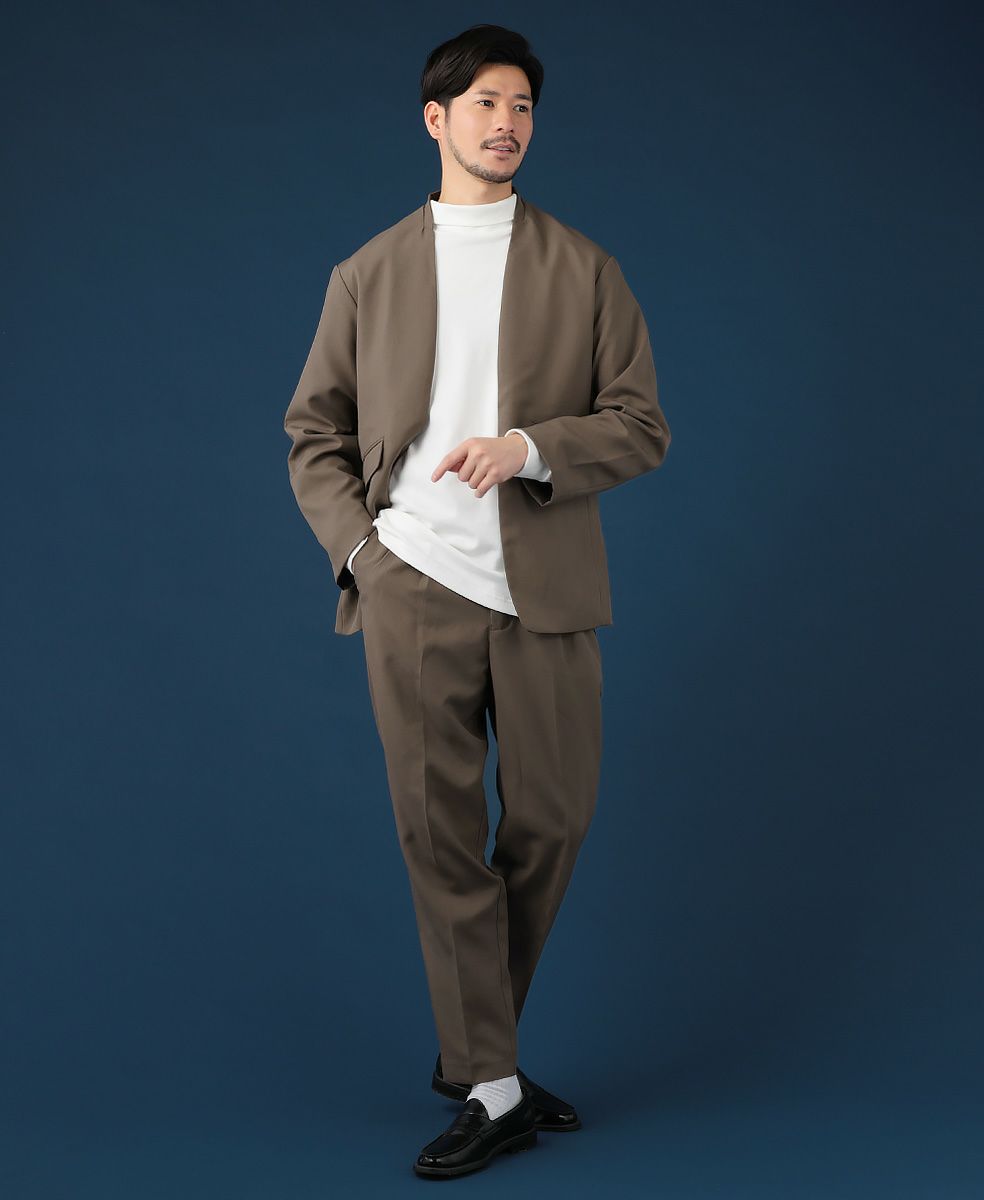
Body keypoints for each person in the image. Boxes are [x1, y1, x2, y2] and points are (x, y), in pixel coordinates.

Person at [283, 23, 671, 1179]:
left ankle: (476, 1053)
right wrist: (362, 553)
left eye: (523, 106)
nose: (507, 123)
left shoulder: (584, 268)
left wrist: (528, 448)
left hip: (544, 591)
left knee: (552, 821)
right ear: (436, 119)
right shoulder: (367, 273)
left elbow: (641, 425)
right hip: (411, 586)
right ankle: (493, 1083)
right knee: (439, 835)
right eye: (486, 102)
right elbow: (313, 435)